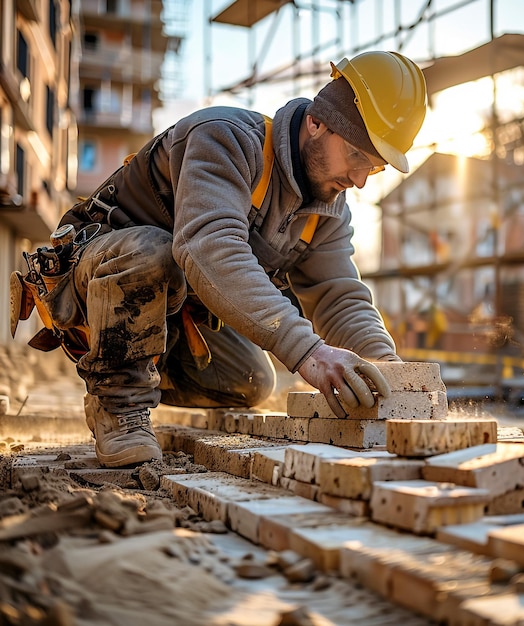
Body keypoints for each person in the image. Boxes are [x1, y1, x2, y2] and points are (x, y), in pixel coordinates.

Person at [14, 51, 427, 468]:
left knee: (250, 382)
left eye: (373, 169)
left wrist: (388, 369)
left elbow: (337, 295)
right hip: (103, 272)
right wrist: (311, 354)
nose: (358, 181)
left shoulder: (328, 208)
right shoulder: (226, 138)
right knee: (157, 250)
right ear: (317, 122)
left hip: (178, 311)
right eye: (357, 155)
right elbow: (209, 246)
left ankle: (137, 366)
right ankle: (118, 402)